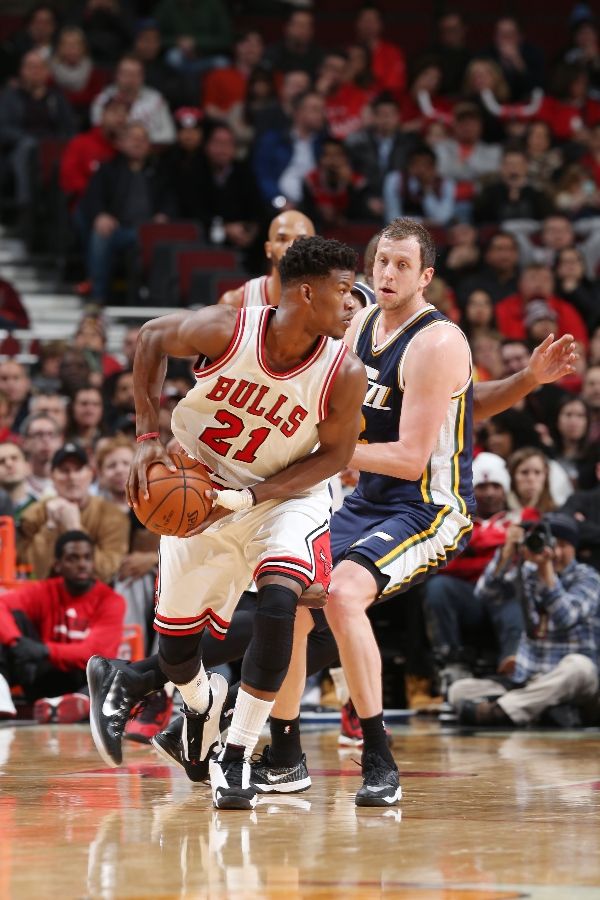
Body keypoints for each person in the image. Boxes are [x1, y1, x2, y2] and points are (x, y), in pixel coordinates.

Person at [84, 324, 579, 773]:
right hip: (328, 494)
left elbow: (456, 408)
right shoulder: (292, 328)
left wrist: (527, 381)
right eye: (379, 264)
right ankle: (202, 710)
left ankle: (210, 711)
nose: (351, 302)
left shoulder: (396, 338)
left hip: (391, 501)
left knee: (311, 610)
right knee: (286, 608)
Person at [87, 236, 367, 812]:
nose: (352, 303)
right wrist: (145, 438)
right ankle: (199, 705)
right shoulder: (229, 329)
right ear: (306, 293)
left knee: (280, 604)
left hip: (285, 495)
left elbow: (335, 457)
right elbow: (149, 338)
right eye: (343, 291)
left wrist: (254, 495)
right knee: (177, 650)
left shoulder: (345, 370)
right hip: (201, 479)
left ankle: (236, 752)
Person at [450, 514, 599, 727]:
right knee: (459, 690)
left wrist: (546, 572)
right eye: (551, 544)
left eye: (563, 545)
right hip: (530, 680)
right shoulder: (527, 572)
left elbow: (566, 617)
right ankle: (543, 711)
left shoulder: (589, 578)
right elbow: (485, 595)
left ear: (574, 548)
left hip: (579, 684)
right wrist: (507, 550)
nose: (555, 552)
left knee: (579, 666)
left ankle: (500, 711)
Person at [0, 531, 125, 722]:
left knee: (113, 669)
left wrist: (43, 650)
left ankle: (77, 703)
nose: (82, 564)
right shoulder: (46, 590)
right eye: (72, 558)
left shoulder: (111, 600)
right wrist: (15, 641)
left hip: (82, 680)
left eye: (87, 558)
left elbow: (94, 653)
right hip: (43, 676)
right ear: (58, 565)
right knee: (11, 619)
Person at [423, 452, 522, 687]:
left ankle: (514, 664)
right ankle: (450, 662)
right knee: (438, 586)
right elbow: (446, 565)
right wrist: (497, 551)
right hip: (470, 598)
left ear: (505, 489)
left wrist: (473, 549)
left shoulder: (521, 518)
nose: (489, 493)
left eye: (495, 486)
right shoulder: (456, 521)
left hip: (506, 597)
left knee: (513, 590)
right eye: (482, 486)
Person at [19, 441, 130, 582]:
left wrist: (75, 529)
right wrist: (50, 527)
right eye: (64, 470)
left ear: (90, 474)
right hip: (44, 596)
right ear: (52, 476)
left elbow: (105, 572)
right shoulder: (33, 514)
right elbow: (31, 573)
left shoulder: (113, 516)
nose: (72, 477)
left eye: (78, 470)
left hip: (94, 597)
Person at [90, 55, 175, 145]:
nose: (130, 79)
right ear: (117, 75)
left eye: (135, 74)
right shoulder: (102, 100)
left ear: (142, 77)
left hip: (150, 151)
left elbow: (169, 135)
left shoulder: (156, 100)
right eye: (126, 74)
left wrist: (140, 140)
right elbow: (98, 133)